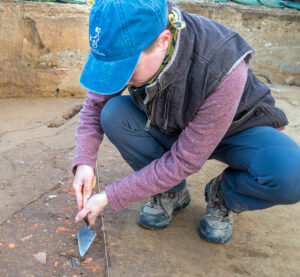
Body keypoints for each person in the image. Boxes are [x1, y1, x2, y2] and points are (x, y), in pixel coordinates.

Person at [73, 0, 300, 243]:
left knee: (291, 175)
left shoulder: (221, 63)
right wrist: (85, 162)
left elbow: (186, 160)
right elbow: (95, 105)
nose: (121, 80)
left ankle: (223, 194)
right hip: (173, 122)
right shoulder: (118, 37)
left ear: (163, 40)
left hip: (237, 130)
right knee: (113, 113)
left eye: (127, 69)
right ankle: (170, 192)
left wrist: (110, 195)